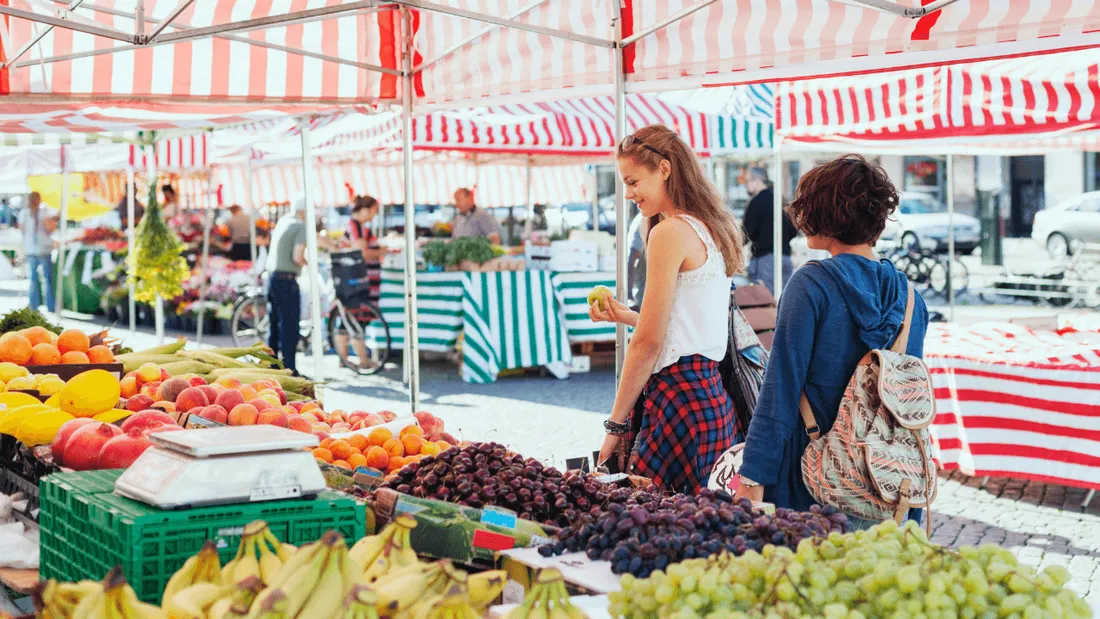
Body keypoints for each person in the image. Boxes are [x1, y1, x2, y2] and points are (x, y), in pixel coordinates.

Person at [734, 155, 929, 527]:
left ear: (827, 214)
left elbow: (780, 389)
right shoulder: (910, 299)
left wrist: (753, 477)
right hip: (886, 483)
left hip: (811, 480)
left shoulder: (811, 285)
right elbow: (903, 400)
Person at [591, 125, 744, 494]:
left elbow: (648, 344)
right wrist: (626, 315)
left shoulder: (669, 232)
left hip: (677, 404)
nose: (628, 194)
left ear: (664, 169)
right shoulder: (711, 227)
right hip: (711, 401)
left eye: (633, 181)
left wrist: (614, 427)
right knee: (706, 532)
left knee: (645, 525)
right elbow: (688, 322)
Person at [265, 200, 309, 376]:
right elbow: (297, 257)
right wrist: (310, 265)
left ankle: (273, 365)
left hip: (272, 278)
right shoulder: (301, 226)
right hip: (287, 280)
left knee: (274, 324)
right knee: (290, 326)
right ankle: (290, 368)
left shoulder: (284, 221)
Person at [741, 167, 797, 294]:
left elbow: (746, 233)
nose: (745, 186)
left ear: (757, 180)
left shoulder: (756, 202)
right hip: (785, 258)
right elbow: (793, 230)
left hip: (766, 260)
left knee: (767, 302)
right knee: (784, 301)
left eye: (747, 181)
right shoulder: (780, 199)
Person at [17, 192, 57, 313]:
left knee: (34, 279)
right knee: (46, 279)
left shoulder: (25, 213)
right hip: (41, 248)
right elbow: (49, 229)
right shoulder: (43, 213)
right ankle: (49, 306)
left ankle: (34, 306)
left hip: (34, 248)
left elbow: (22, 230)